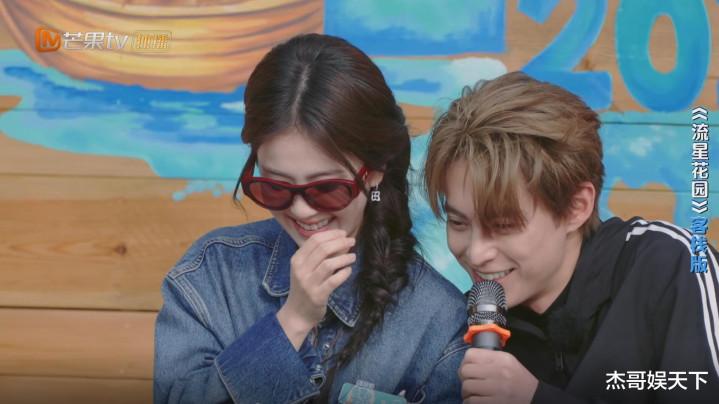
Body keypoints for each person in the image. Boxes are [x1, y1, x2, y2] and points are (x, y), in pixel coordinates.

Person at [153, 33, 468, 404]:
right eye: (275, 187)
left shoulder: (438, 318)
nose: (301, 210)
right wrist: (292, 322)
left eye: (327, 189)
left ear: (376, 171)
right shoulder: (211, 276)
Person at [423, 71, 719, 403]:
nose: (476, 253)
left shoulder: (671, 265)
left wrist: (535, 398)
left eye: (503, 225)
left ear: (575, 207)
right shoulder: (462, 325)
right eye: (458, 223)